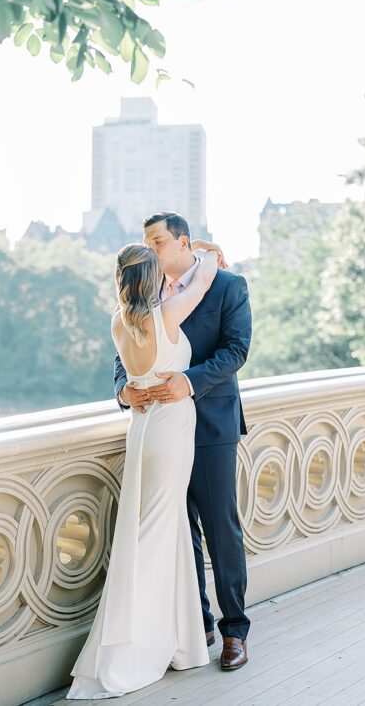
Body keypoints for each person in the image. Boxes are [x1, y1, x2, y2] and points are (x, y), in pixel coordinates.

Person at [68, 242, 218, 698]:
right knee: (159, 534)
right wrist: (207, 250)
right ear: (152, 277)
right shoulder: (166, 317)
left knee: (158, 532)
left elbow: (131, 377)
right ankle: (130, 651)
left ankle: (182, 642)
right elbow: (206, 273)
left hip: (143, 428)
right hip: (171, 430)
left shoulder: (119, 322)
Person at [115, 211, 253, 673]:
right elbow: (124, 354)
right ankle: (199, 623)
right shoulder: (146, 291)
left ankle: (235, 629)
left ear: (182, 242)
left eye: (157, 242)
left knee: (220, 528)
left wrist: (188, 382)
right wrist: (124, 389)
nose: (150, 250)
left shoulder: (228, 286)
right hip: (159, 427)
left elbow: (236, 350)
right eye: (146, 243)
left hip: (210, 426)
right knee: (178, 529)